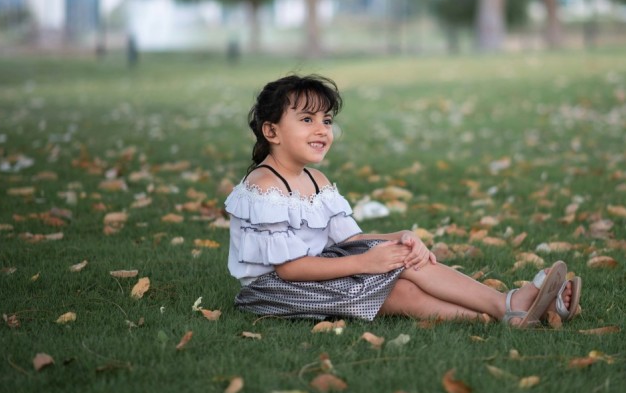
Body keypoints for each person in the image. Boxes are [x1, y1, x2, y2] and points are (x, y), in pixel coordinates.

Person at [225, 74, 581, 326]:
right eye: (307, 119)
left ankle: (513, 311)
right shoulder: (264, 187)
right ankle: (510, 308)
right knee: (396, 292)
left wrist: (397, 237)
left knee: (404, 260)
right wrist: (367, 263)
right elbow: (290, 268)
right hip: (275, 290)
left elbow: (346, 241)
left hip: (317, 270)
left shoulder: (316, 180)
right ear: (271, 131)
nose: (322, 129)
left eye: (327, 120)